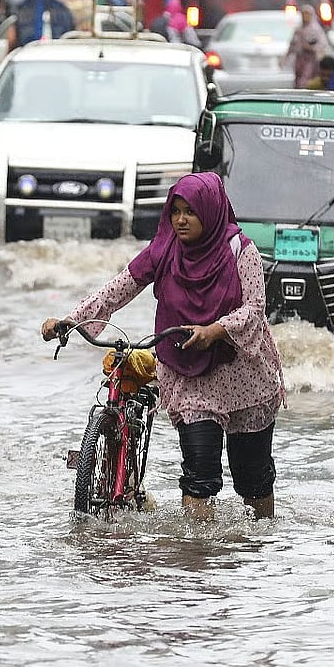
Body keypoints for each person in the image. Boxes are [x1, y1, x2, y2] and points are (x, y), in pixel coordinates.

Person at [40, 172, 285, 521]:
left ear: (211, 211)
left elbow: (255, 308)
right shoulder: (164, 249)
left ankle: (256, 554)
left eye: (191, 212)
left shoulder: (240, 251)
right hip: (189, 375)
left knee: (253, 479)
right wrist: (71, 319)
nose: (181, 220)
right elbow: (119, 287)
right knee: (199, 477)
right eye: (176, 211)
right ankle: (194, 561)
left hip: (242, 375)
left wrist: (215, 330)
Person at [285, 5, 329, 89]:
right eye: (303, 14)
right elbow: (292, 44)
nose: (305, 16)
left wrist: (311, 48)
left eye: (307, 14)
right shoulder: (298, 29)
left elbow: (322, 44)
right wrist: (286, 57)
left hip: (311, 60)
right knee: (298, 80)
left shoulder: (316, 29)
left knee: (306, 81)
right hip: (299, 59)